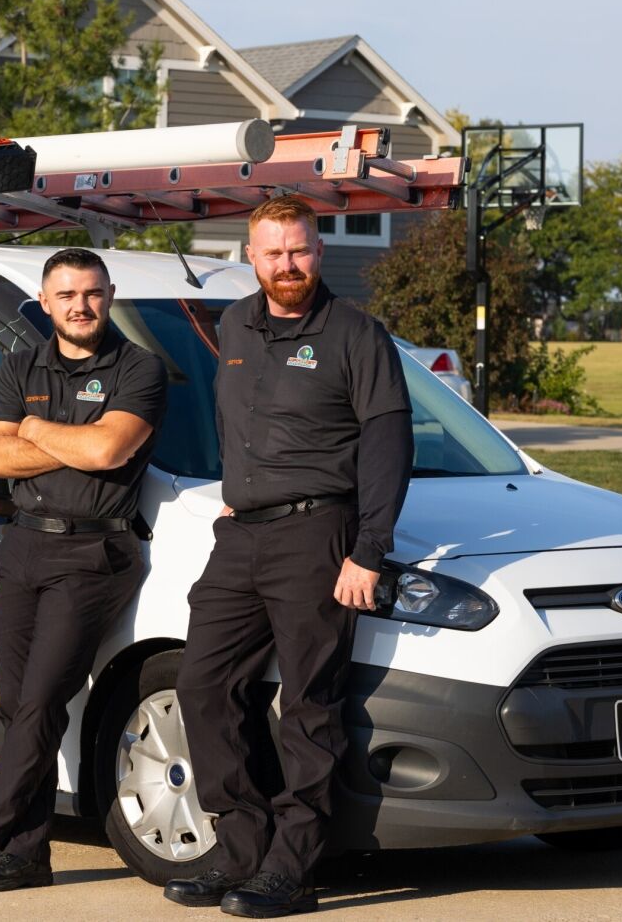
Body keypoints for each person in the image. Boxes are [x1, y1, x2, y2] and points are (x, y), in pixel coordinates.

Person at [164, 196, 413, 917]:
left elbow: (387, 448)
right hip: (240, 533)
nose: (286, 265)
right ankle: (239, 850)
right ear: (250, 255)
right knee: (203, 684)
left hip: (317, 534)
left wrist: (368, 549)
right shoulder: (235, 323)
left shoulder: (355, 335)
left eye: (298, 250)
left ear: (318, 250)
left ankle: (291, 867)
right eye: (272, 252)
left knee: (309, 702)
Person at [0, 247, 168, 893]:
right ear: (45, 302)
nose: (80, 306)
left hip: (94, 555)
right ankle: (27, 856)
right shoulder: (19, 365)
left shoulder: (139, 368)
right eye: (66, 296)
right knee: (16, 707)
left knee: (39, 702)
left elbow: (107, 447)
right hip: (24, 547)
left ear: (108, 294)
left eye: (89, 294)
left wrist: (32, 428)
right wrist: (61, 438)